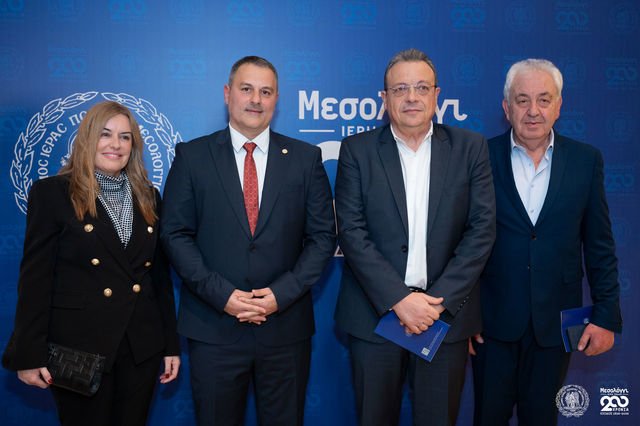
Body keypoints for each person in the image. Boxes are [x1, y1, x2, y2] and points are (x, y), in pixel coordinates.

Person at [160, 55, 336, 426]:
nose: (256, 99)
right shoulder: (192, 156)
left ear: (276, 100)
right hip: (213, 328)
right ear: (228, 94)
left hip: (285, 329)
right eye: (247, 89)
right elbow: (175, 234)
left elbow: (322, 238)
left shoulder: (306, 159)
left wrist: (280, 296)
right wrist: (222, 296)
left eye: (266, 92)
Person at [334, 48, 496, 426]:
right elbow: (352, 232)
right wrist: (399, 300)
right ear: (384, 98)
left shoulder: (470, 148)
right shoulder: (357, 151)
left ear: (437, 95)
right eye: (400, 89)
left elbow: (481, 230)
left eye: (422, 88)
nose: (411, 97)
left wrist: (436, 305)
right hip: (374, 318)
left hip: (444, 320)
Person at [2, 101, 181, 426]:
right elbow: (35, 281)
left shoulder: (149, 196)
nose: (116, 144)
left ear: (133, 146)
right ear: (87, 139)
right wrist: (28, 354)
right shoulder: (53, 193)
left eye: (125, 137)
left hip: (141, 347)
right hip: (80, 348)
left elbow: (158, 278)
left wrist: (170, 345)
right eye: (105, 134)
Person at [471, 58, 623, 425]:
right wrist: (463, 315)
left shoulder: (586, 161)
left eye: (544, 99)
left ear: (559, 105)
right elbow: (461, 242)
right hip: (491, 323)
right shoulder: (478, 157)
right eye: (522, 100)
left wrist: (606, 316)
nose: (533, 111)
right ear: (507, 107)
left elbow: (599, 246)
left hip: (555, 322)